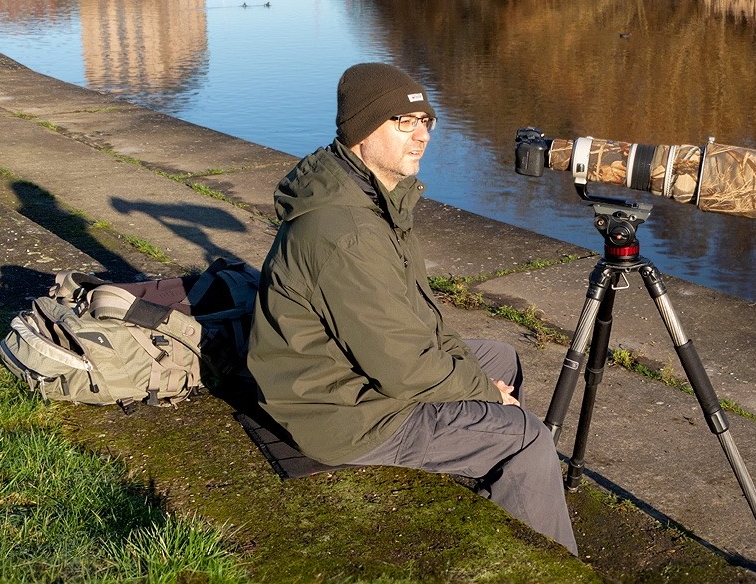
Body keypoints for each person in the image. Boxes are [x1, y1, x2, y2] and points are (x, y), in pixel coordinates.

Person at [246, 62, 578, 555]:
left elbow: (419, 321)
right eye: (404, 122)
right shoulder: (348, 231)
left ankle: (507, 503)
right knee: (525, 437)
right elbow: (402, 366)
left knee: (502, 358)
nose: (421, 134)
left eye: (426, 122)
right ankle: (552, 563)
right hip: (341, 413)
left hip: (354, 378)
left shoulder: (372, 197)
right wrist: (485, 394)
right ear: (362, 131)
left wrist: (480, 381)